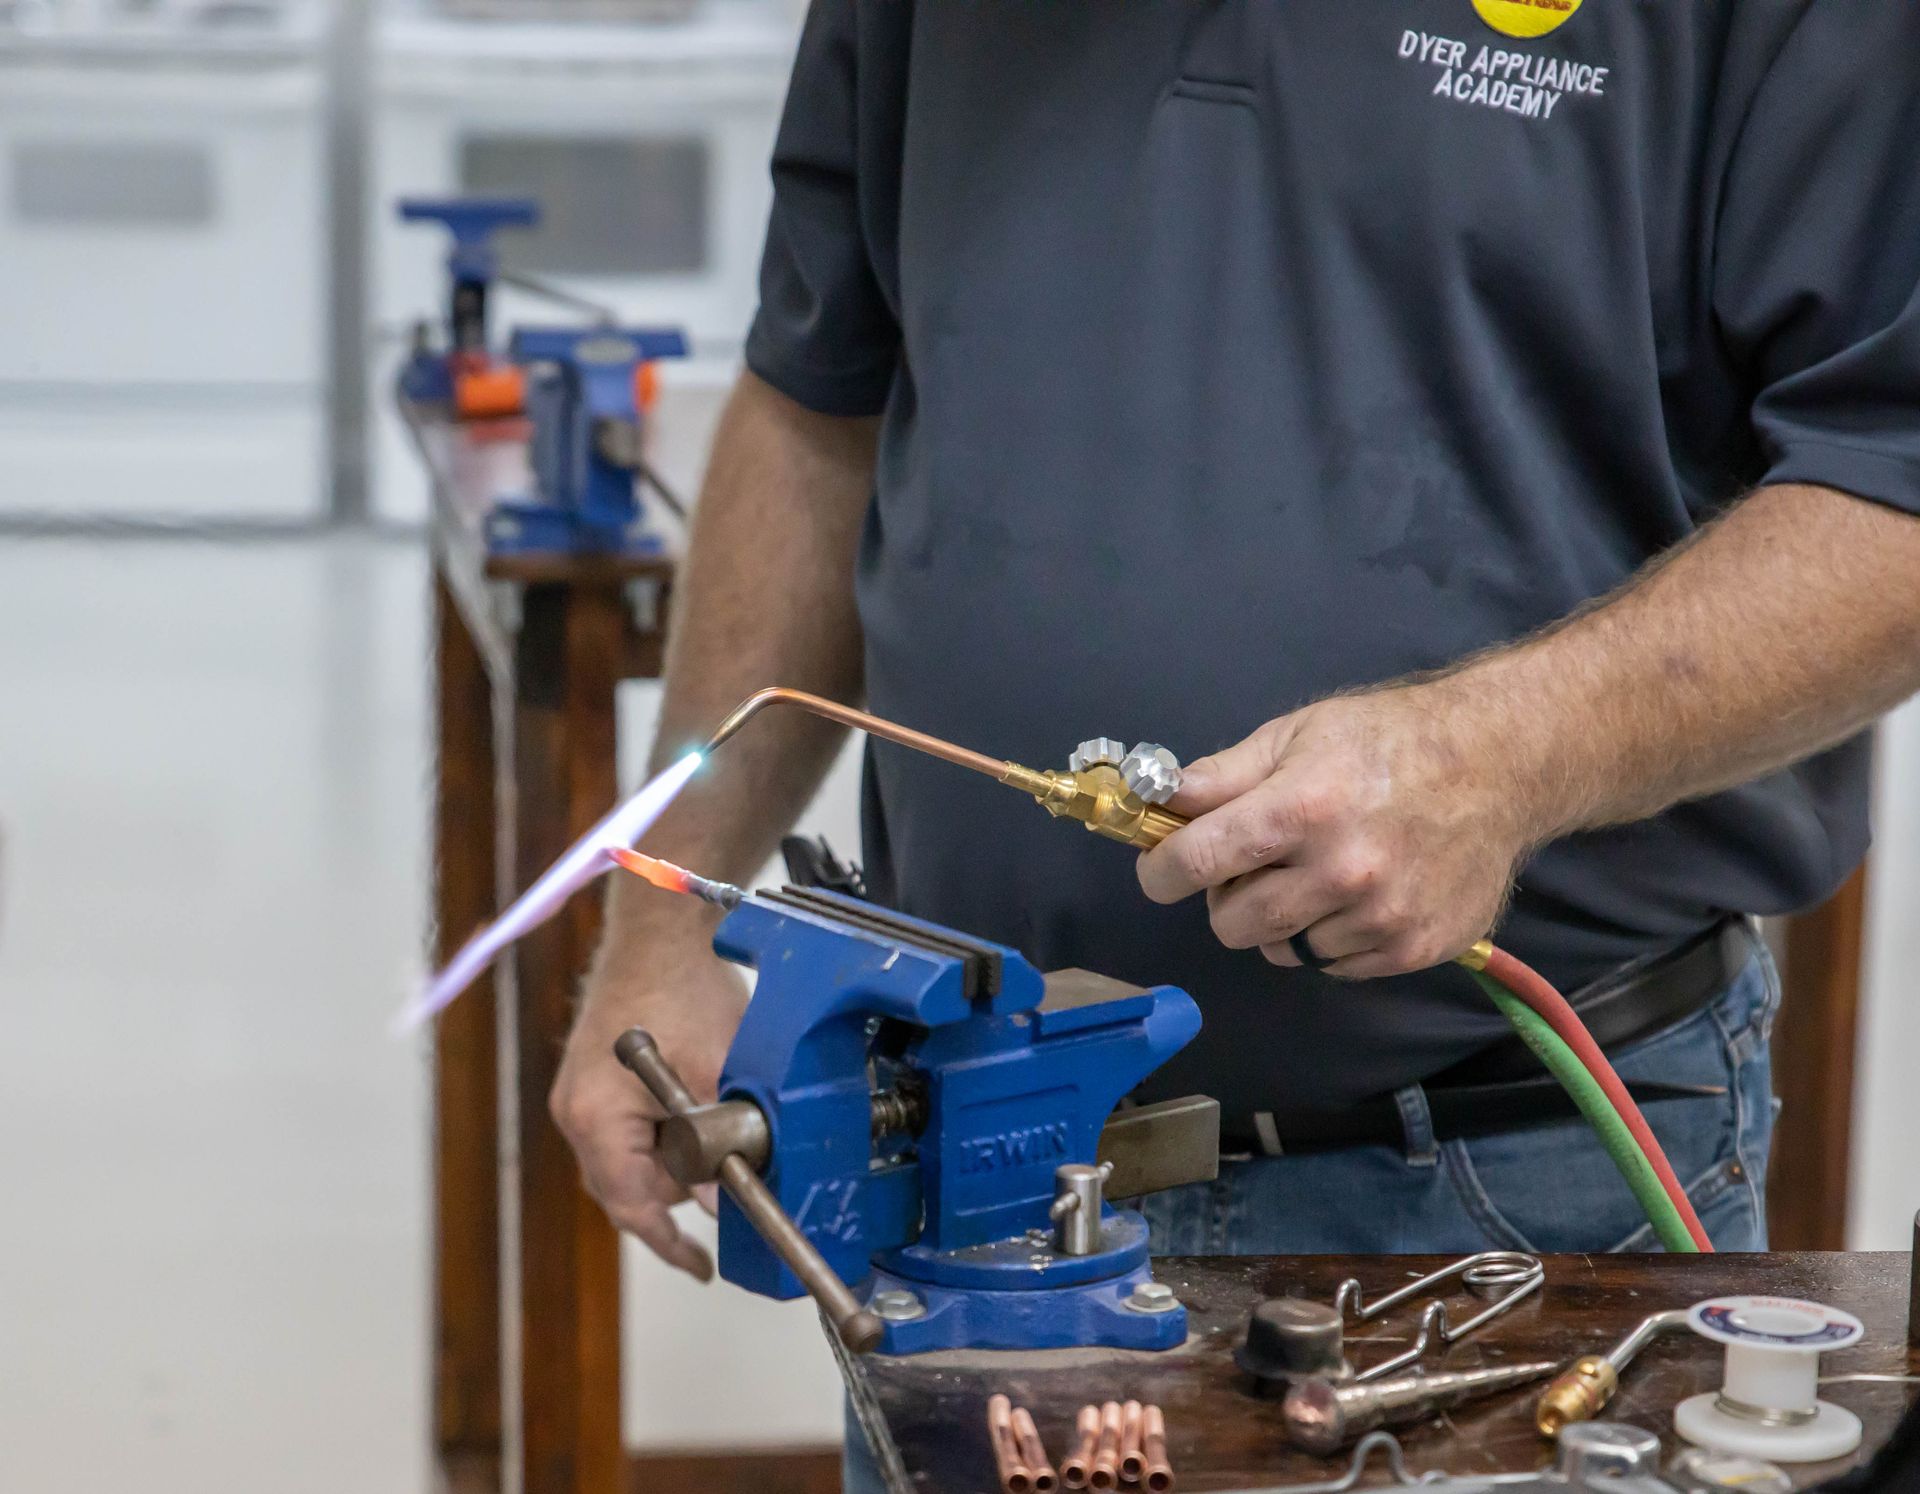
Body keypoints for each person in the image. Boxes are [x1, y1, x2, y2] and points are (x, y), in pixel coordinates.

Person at [552, 0, 1920, 1289]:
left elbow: (1893, 498)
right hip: (973, 1152)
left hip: (1503, 1173)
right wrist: (662, 918)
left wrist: (1492, 758)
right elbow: (816, 406)